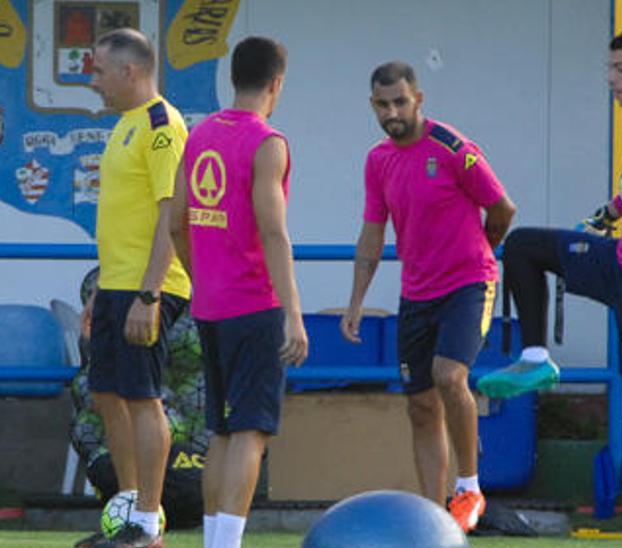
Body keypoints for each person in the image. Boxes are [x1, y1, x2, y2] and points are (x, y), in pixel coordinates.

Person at [476, 27, 622, 530]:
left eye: (621, 69)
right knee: (525, 246)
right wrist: (609, 212)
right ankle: (534, 358)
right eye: (608, 68)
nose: (610, 79)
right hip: (620, 259)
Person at [339, 61, 516, 532]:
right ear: (372, 105)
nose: (392, 111)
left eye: (400, 101)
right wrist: (356, 301)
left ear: (418, 99)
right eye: (382, 104)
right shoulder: (378, 160)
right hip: (416, 293)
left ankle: (469, 486)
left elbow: (502, 208)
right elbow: (372, 233)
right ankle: (435, 518)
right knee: (419, 405)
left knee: (448, 375)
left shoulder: (453, 148)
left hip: (468, 284)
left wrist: (483, 252)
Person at [166, 36, 307, 548]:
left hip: (211, 305)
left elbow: (177, 221)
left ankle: (213, 541)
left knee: (221, 431)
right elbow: (273, 232)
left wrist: (201, 278)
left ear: (233, 77)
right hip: (255, 304)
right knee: (251, 430)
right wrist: (294, 313)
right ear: (277, 83)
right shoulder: (269, 143)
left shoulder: (200, 133)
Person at [77, 27, 191, 548]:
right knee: (105, 392)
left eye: (98, 71)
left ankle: (148, 521)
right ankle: (128, 509)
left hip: (152, 285)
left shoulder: (163, 125)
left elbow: (174, 210)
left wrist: (148, 294)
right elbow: (126, 218)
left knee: (143, 398)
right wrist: (104, 289)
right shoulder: (124, 124)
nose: (93, 82)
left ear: (130, 71)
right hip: (118, 284)